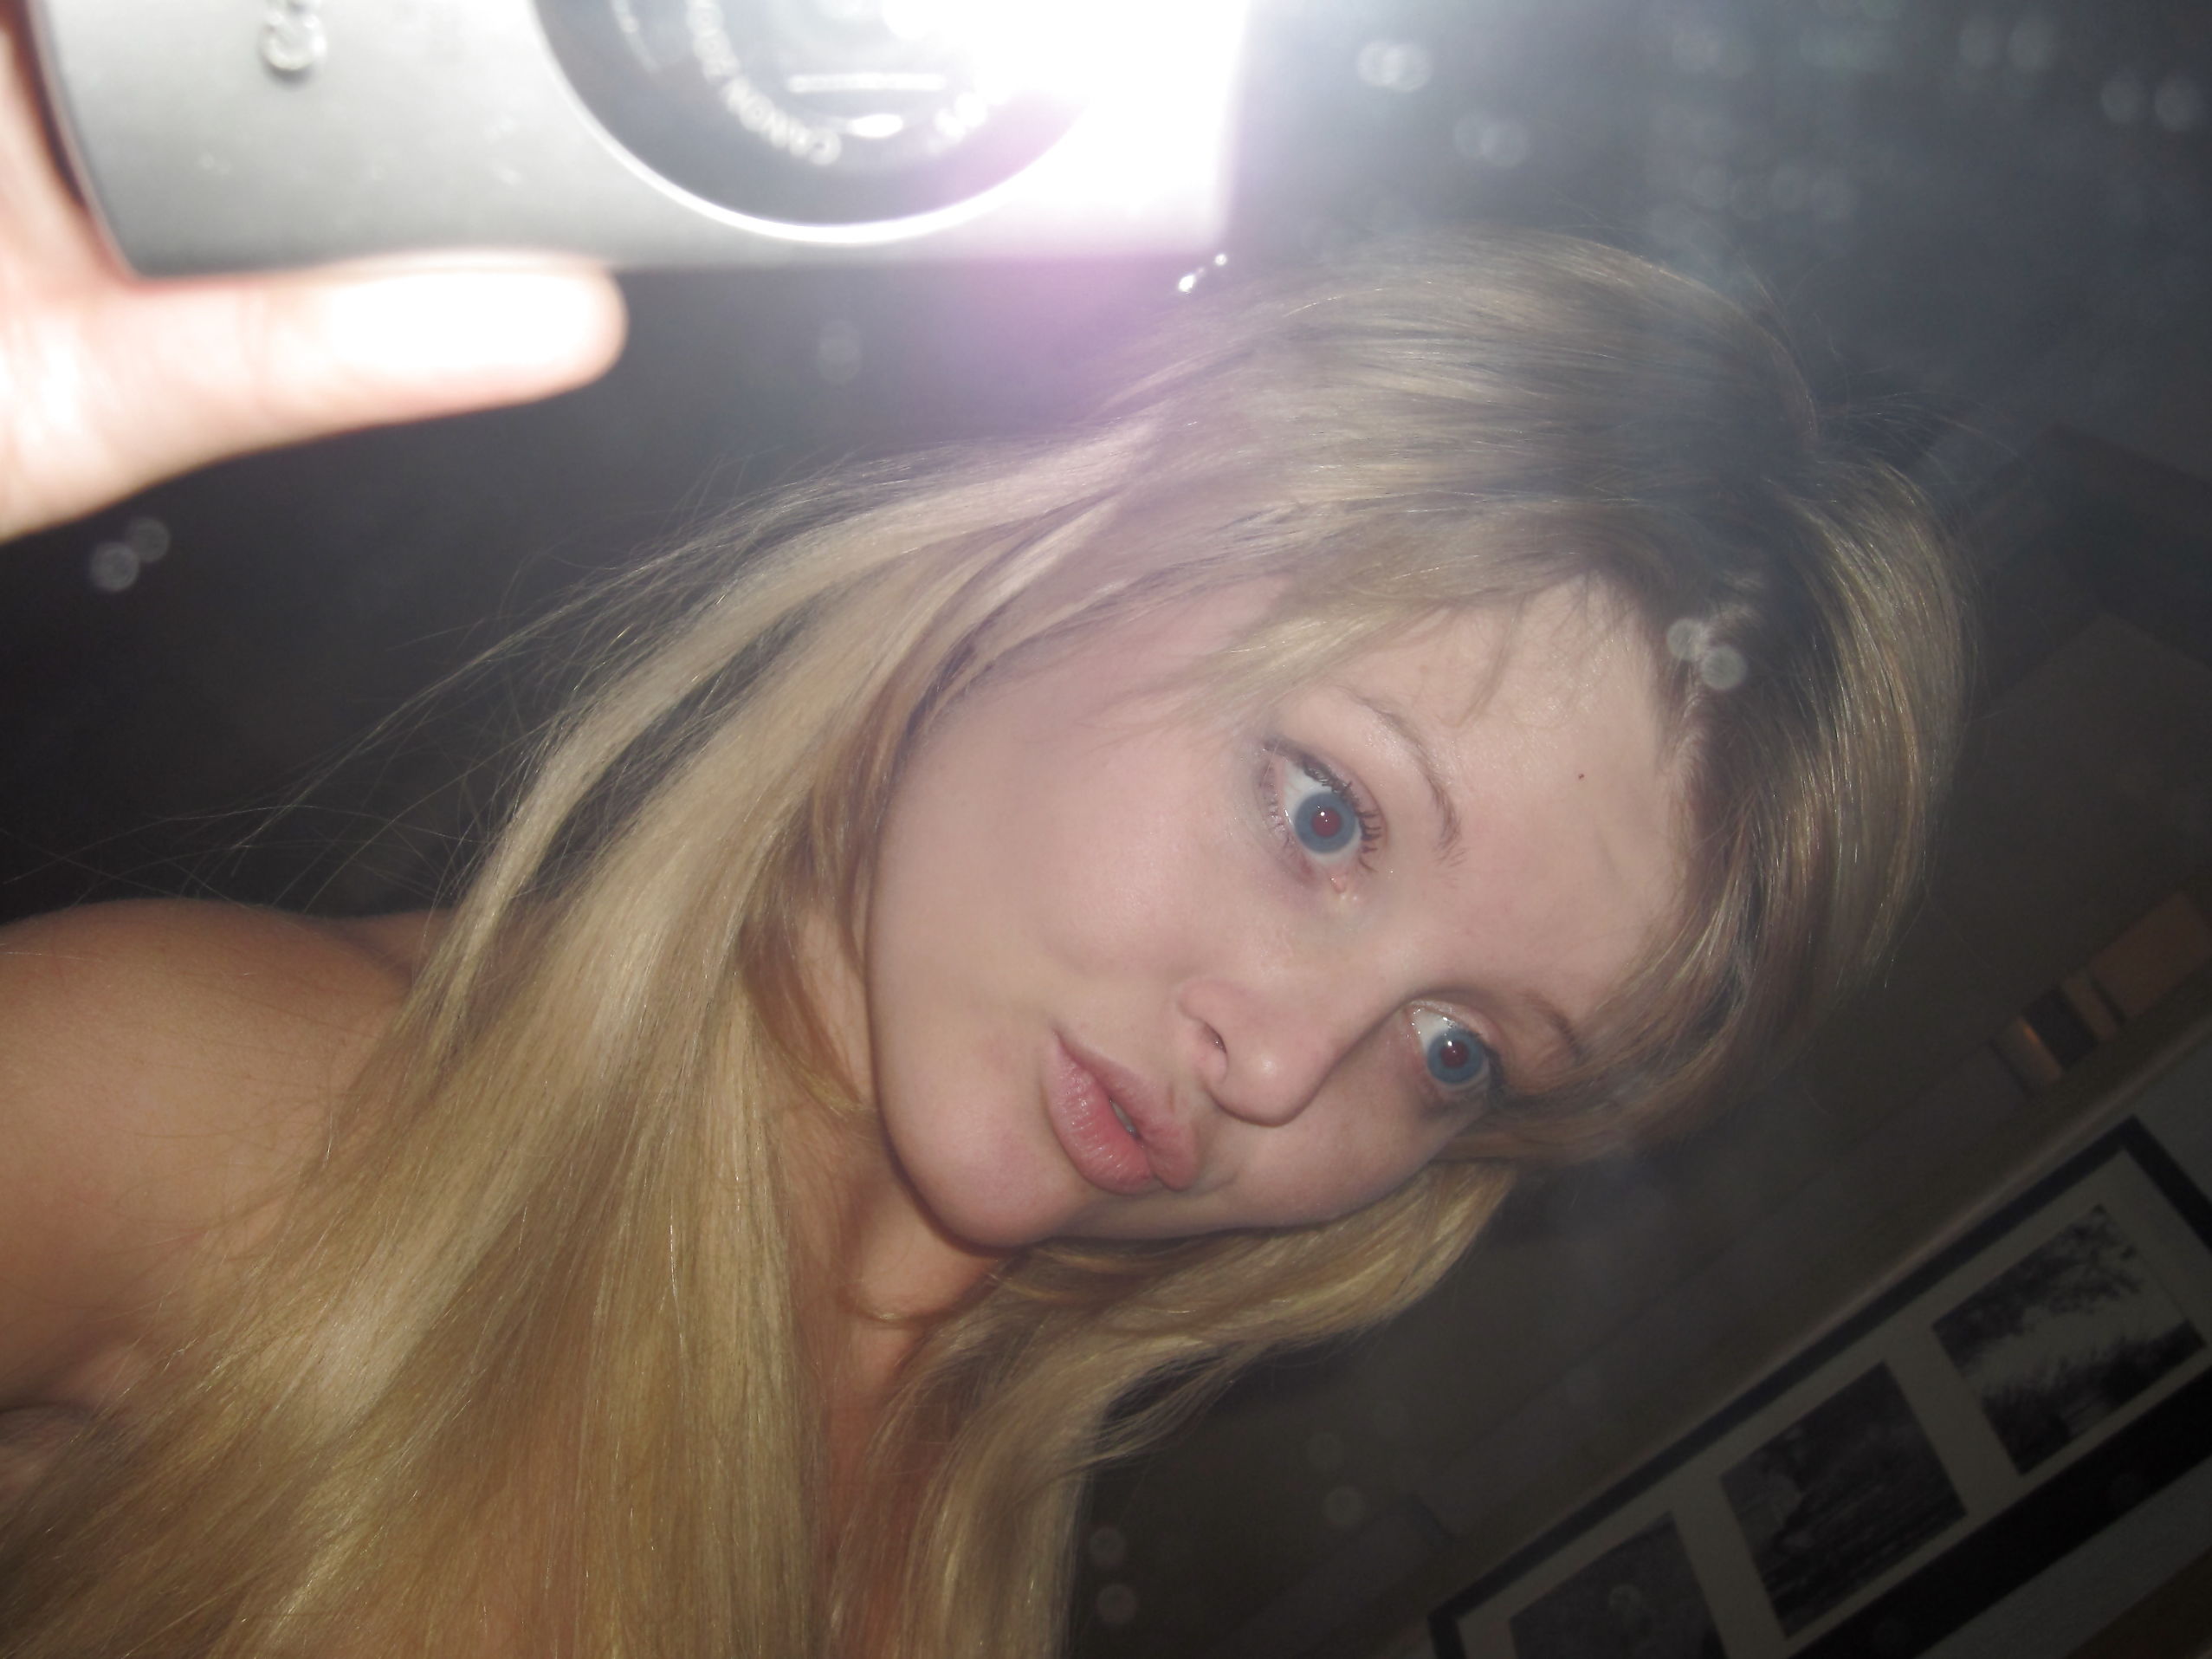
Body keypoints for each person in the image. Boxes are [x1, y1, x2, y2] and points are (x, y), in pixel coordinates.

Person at [0, 13, 1964, 1656]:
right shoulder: (232, 1128)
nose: (1279, 1071)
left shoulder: (972, 1542)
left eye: (1459, 1051)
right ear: (1100, 530)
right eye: (1325, 813)